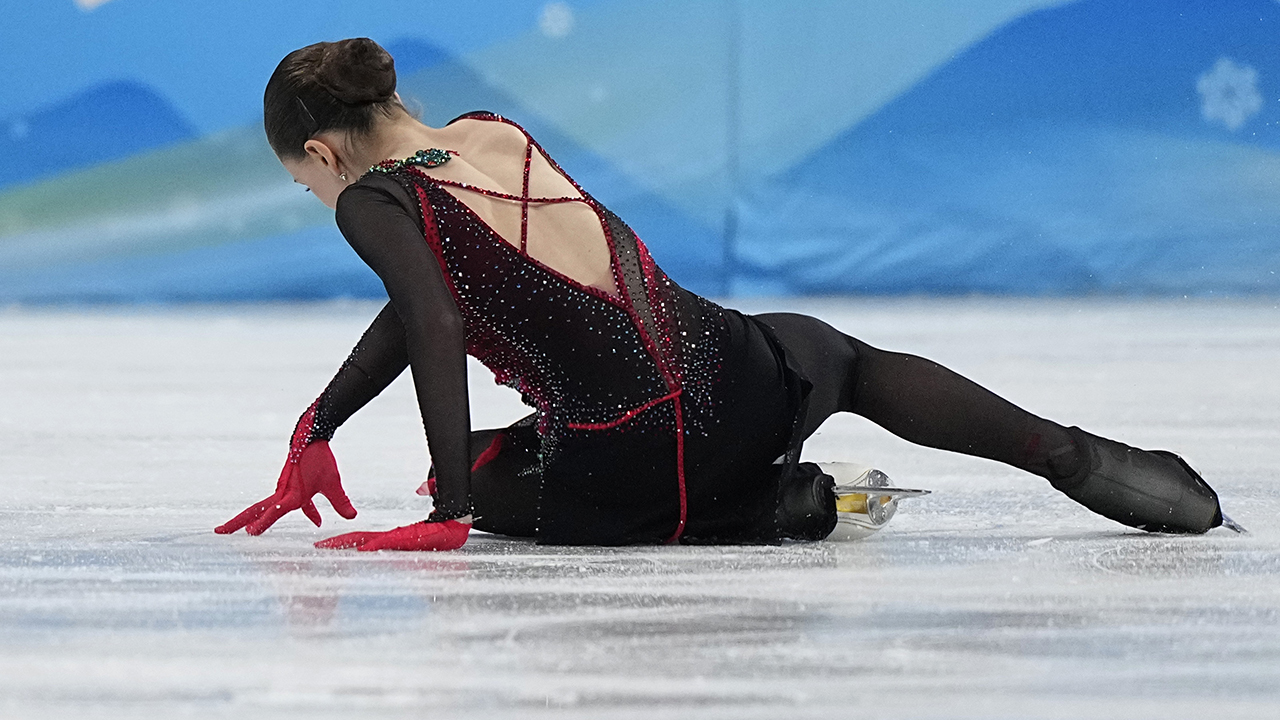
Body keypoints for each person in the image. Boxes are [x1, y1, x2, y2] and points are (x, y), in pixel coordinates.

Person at [215, 38, 1228, 551]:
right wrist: (324, 418)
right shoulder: (486, 131)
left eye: (303, 179)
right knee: (833, 357)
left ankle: (771, 508)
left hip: (641, 452)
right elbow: (438, 295)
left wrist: (448, 505)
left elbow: (433, 314)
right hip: (735, 376)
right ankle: (1071, 454)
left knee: (488, 477)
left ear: (319, 150)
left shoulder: (374, 200)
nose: (313, 195)